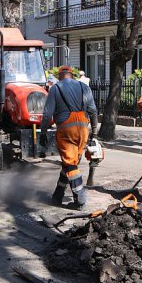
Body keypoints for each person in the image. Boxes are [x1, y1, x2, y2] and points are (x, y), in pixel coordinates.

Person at [40, 65, 98, 210]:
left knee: (71, 165)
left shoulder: (55, 89)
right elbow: (93, 111)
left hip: (67, 131)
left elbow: (47, 114)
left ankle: (80, 200)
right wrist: (94, 132)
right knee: (69, 163)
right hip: (84, 130)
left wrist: (43, 132)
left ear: (60, 76)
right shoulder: (84, 87)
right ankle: (57, 196)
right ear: (72, 75)